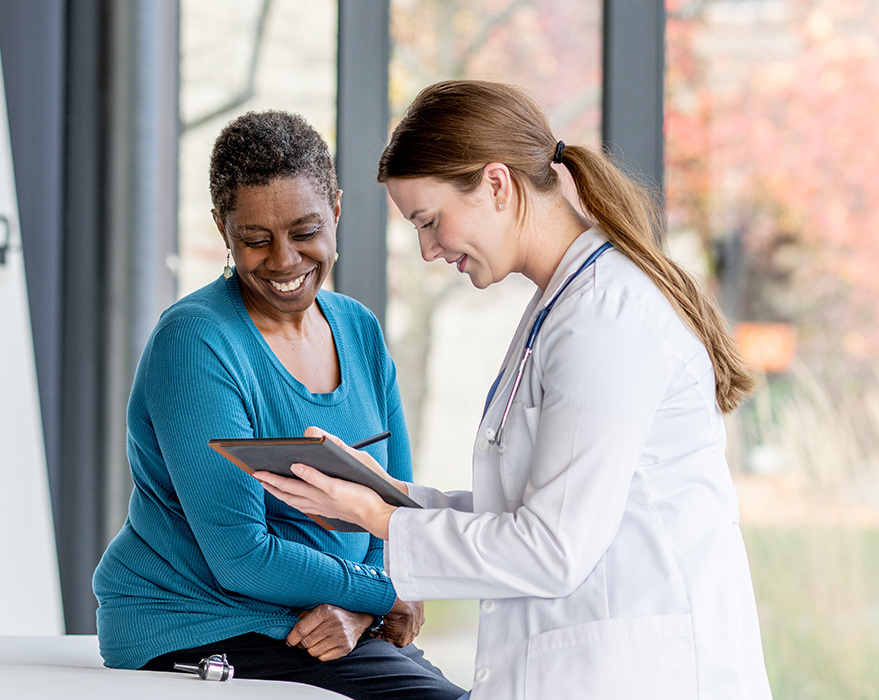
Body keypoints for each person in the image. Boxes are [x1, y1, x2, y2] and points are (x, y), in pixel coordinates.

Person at [254, 80, 774, 700]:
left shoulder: (605, 317)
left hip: (643, 674)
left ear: (497, 185)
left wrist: (382, 518)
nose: (427, 249)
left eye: (430, 220)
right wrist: (385, 494)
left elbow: (552, 549)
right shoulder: (563, 306)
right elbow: (529, 514)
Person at [91, 110, 466, 700]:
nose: (285, 260)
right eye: (256, 239)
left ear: (337, 211)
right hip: (205, 623)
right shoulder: (196, 342)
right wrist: (382, 595)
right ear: (223, 228)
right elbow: (241, 557)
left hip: (332, 618)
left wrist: (362, 608)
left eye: (305, 230)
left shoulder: (358, 328)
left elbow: (391, 506)